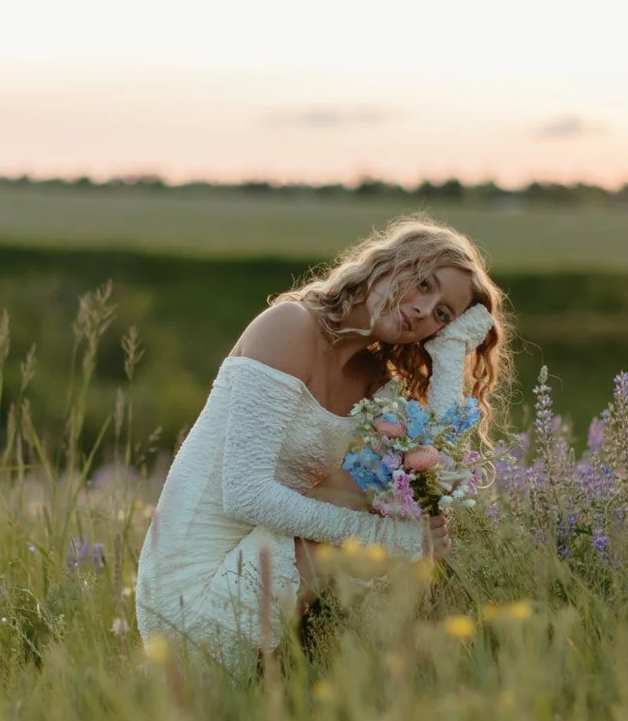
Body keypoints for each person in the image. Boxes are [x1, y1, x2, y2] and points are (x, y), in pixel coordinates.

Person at [135, 216, 510, 660]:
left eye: (442, 315)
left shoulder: (373, 379)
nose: (423, 310)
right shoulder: (290, 327)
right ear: (390, 264)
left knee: (403, 483)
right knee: (377, 502)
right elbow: (244, 494)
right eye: (423, 284)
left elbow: (436, 476)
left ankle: (358, 667)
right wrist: (386, 538)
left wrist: (448, 357)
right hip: (189, 593)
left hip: (268, 561)